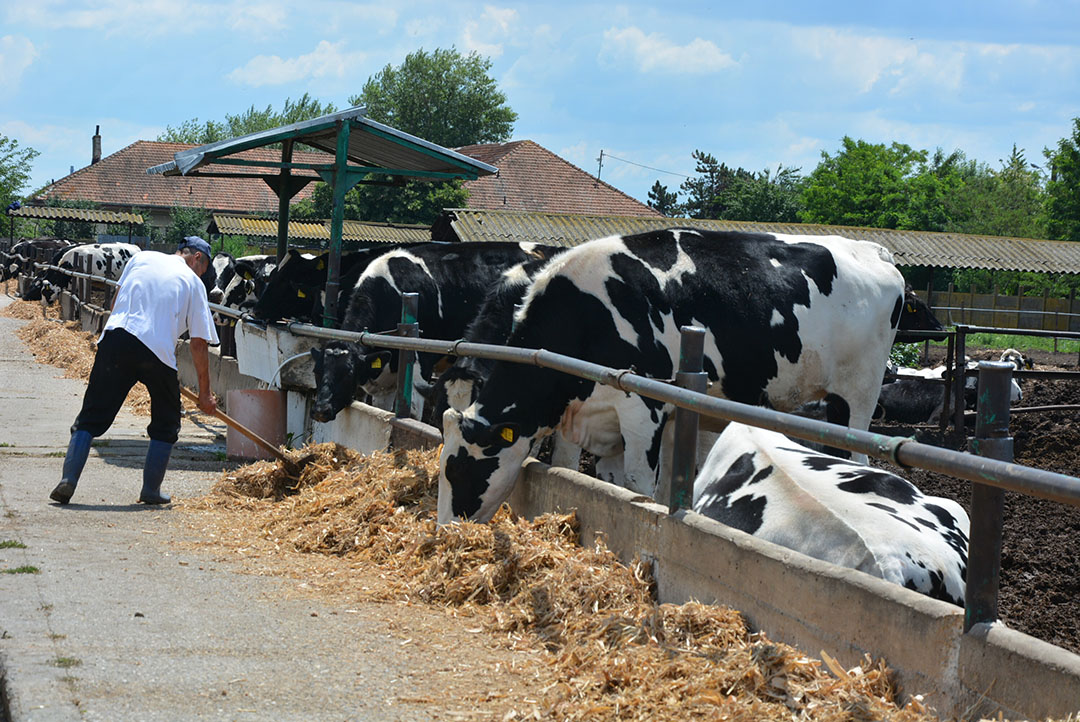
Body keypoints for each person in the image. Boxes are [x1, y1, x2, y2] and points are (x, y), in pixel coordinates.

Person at [50, 236, 220, 506]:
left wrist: (109, 343)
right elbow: (199, 345)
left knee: (90, 416)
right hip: (157, 351)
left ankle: (68, 479)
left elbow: (117, 301)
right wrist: (205, 394)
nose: (203, 273)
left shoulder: (142, 258)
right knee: (166, 421)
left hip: (116, 337)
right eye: (204, 267)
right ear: (196, 257)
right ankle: (151, 491)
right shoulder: (193, 282)